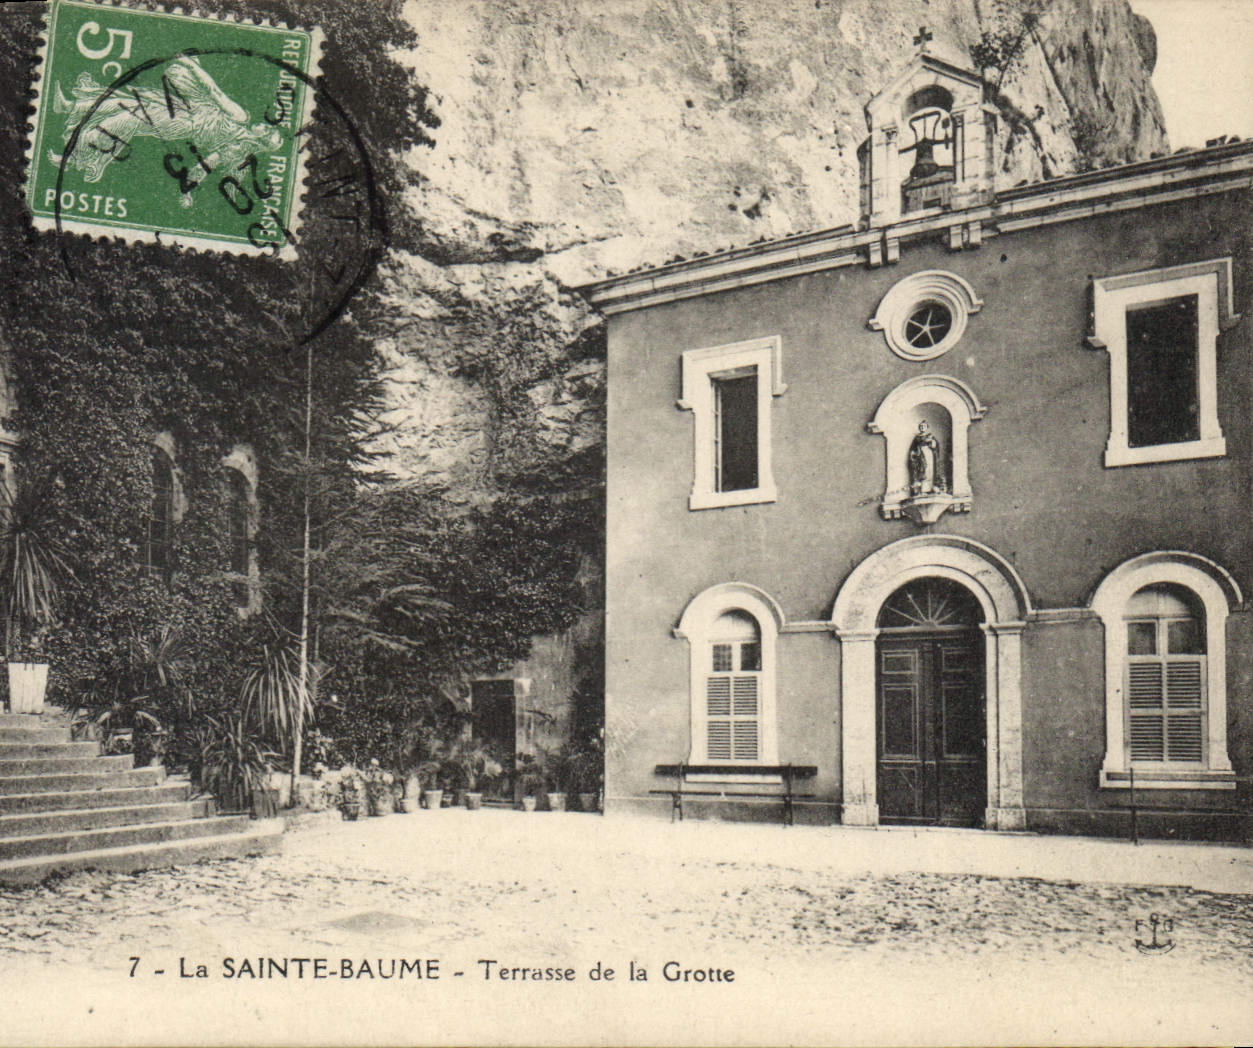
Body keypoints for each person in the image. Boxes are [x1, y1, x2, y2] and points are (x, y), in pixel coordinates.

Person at [908, 420, 942, 495]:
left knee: (930, 470)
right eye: (921, 426)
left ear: (927, 427)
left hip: (929, 454)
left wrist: (932, 443)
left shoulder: (930, 436)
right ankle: (923, 489)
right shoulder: (917, 438)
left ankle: (931, 487)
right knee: (922, 470)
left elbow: (935, 446)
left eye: (924, 426)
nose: (922, 427)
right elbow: (913, 449)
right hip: (920, 455)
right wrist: (914, 453)